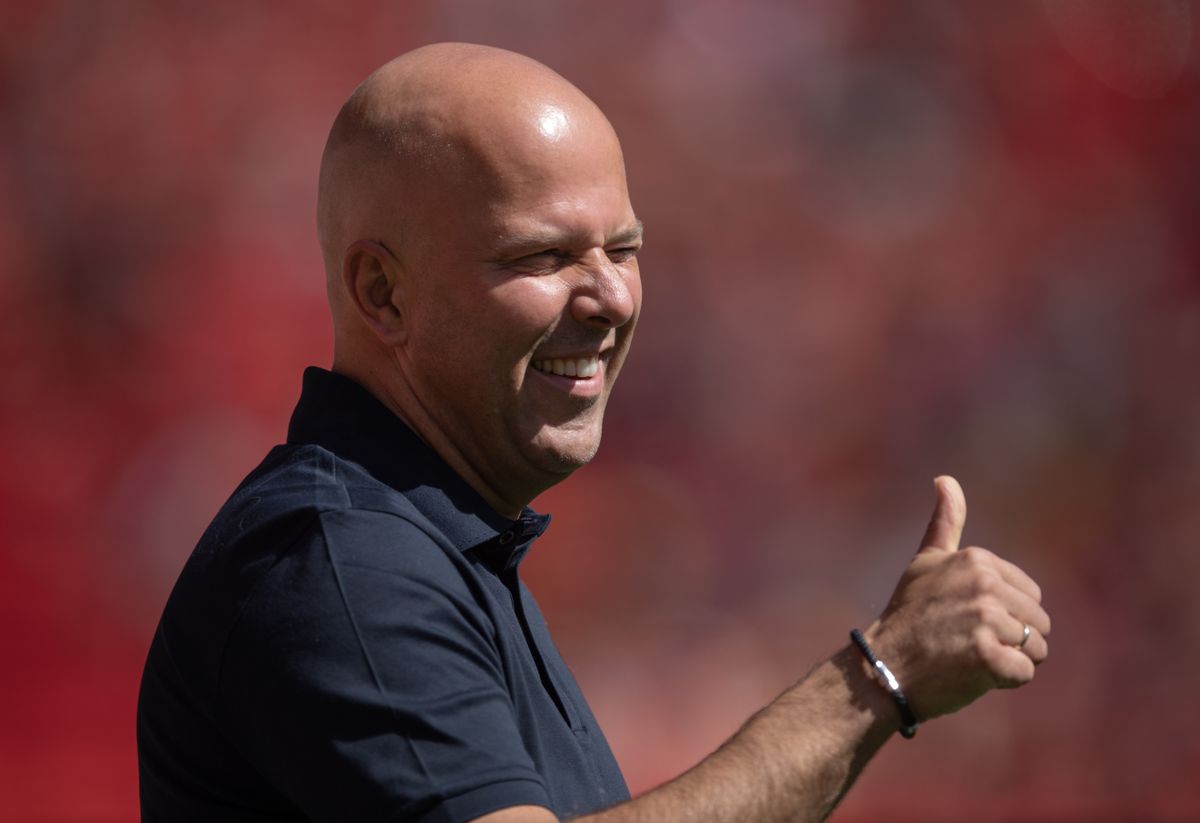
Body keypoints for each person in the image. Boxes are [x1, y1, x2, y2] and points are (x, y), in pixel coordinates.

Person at [137, 43, 1051, 823]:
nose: (611, 297)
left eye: (623, 249)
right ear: (383, 291)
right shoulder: (340, 563)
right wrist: (880, 677)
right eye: (543, 255)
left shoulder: (432, 543)